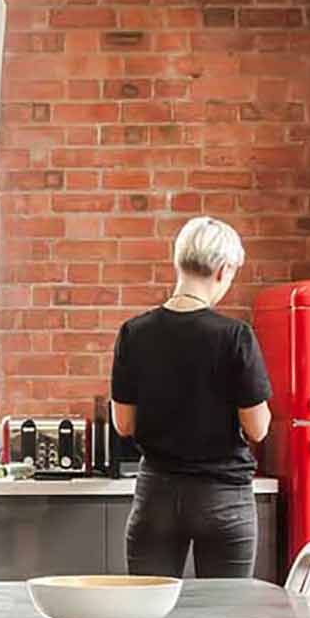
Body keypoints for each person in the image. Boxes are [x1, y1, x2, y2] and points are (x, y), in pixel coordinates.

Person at [108, 216, 273, 580]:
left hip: (157, 496)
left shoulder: (134, 333)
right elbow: (258, 428)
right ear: (222, 270)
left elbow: (124, 424)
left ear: (178, 262)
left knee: (144, 615)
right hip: (223, 498)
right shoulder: (234, 336)